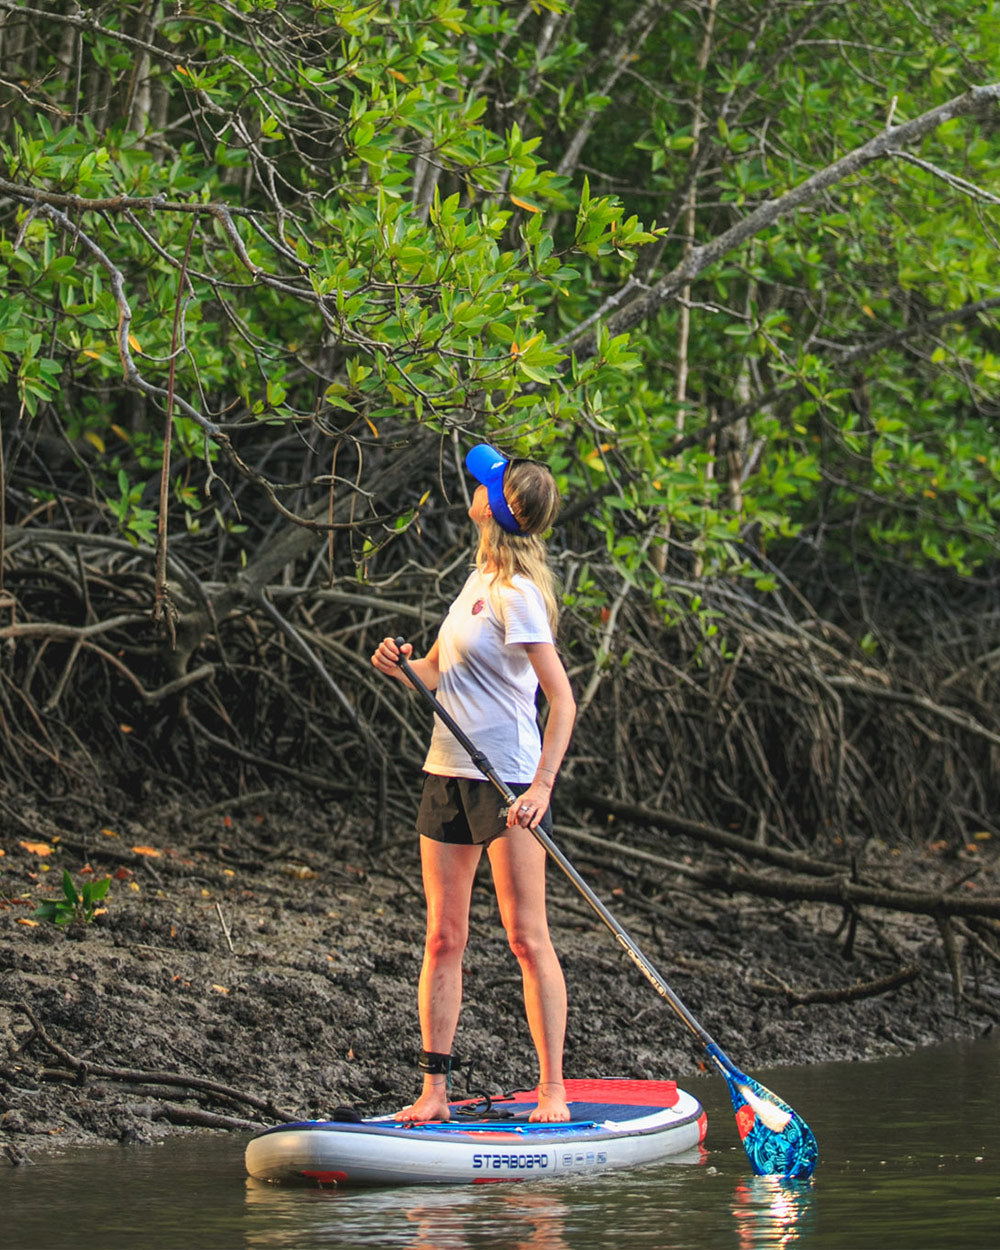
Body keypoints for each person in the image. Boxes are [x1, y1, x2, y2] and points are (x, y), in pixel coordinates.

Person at [371, 444, 577, 1124]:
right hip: (446, 772)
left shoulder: (518, 597)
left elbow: (562, 701)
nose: (476, 487)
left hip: (509, 781)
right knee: (442, 938)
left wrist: (542, 787)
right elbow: (433, 672)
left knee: (526, 936)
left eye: (487, 484)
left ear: (505, 510)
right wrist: (401, 665)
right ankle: (435, 1091)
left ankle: (552, 1089)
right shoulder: (475, 581)